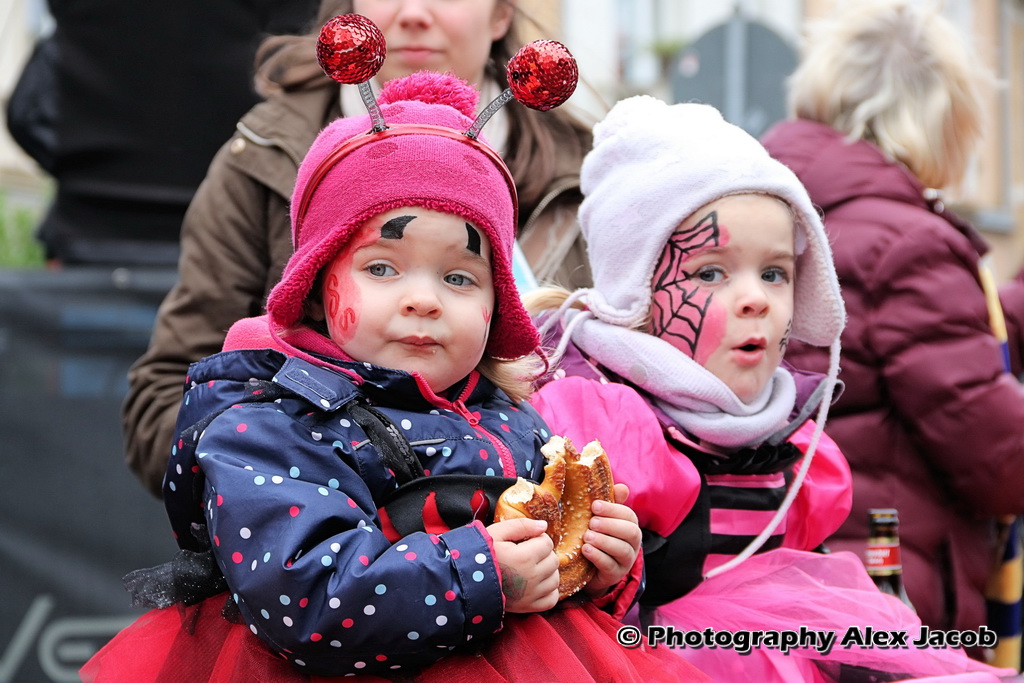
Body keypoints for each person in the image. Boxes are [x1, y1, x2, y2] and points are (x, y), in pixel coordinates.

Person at [81, 72, 705, 682]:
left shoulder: (514, 421)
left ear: (498, 305)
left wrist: (599, 573)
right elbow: (306, 599)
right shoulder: (271, 427)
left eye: (458, 278)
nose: (424, 300)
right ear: (316, 287)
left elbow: (558, 596)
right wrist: (481, 574)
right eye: (382, 268)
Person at [526, 97, 1012, 681]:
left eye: (775, 273)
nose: (755, 298)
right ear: (635, 290)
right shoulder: (598, 417)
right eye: (711, 272)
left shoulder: (795, 439)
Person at [123, 0, 595, 498]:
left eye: (459, 277)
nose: (414, 13)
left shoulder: (590, 173)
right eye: (381, 268)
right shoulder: (259, 154)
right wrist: (277, 475)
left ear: (501, 13)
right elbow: (169, 393)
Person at [760, 0, 1024, 650]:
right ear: (941, 117)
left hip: (792, 574)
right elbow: (998, 461)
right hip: (889, 597)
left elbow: (925, 356)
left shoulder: (774, 212)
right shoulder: (909, 242)